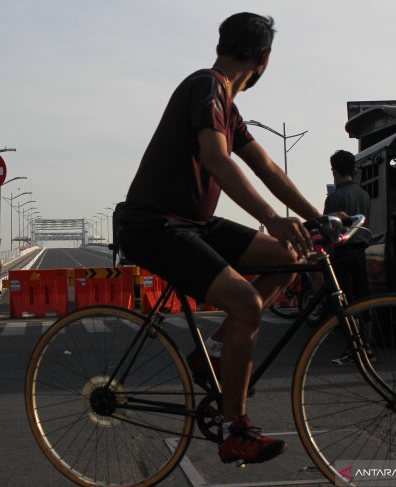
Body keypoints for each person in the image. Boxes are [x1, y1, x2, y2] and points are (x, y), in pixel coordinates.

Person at [117, 12, 321, 466]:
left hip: (192, 222)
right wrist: (271, 216)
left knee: (291, 256)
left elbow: (266, 167)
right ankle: (236, 432)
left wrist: (316, 220)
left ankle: (209, 353)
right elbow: (217, 159)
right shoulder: (206, 87)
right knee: (247, 302)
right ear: (264, 58)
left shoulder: (227, 105)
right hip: (155, 224)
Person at [322, 150, 372, 365]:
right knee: (364, 299)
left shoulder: (335, 197)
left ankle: (353, 350)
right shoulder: (364, 194)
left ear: (334, 170)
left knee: (346, 303)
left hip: (342, 252)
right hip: (361, 251)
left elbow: (328, 230)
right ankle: (367, 348)